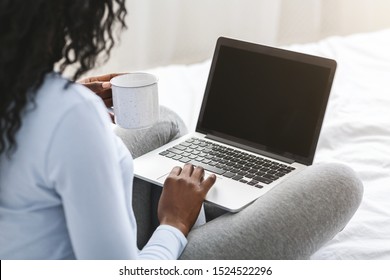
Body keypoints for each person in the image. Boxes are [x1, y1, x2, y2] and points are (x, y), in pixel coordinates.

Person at [0, 0, 363, 259]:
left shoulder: (25, 95)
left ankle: (222, 198)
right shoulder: (69, 117)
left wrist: (74, 95)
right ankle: (212, 209)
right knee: (341, 182)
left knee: (165, 120)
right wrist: (174, 223)